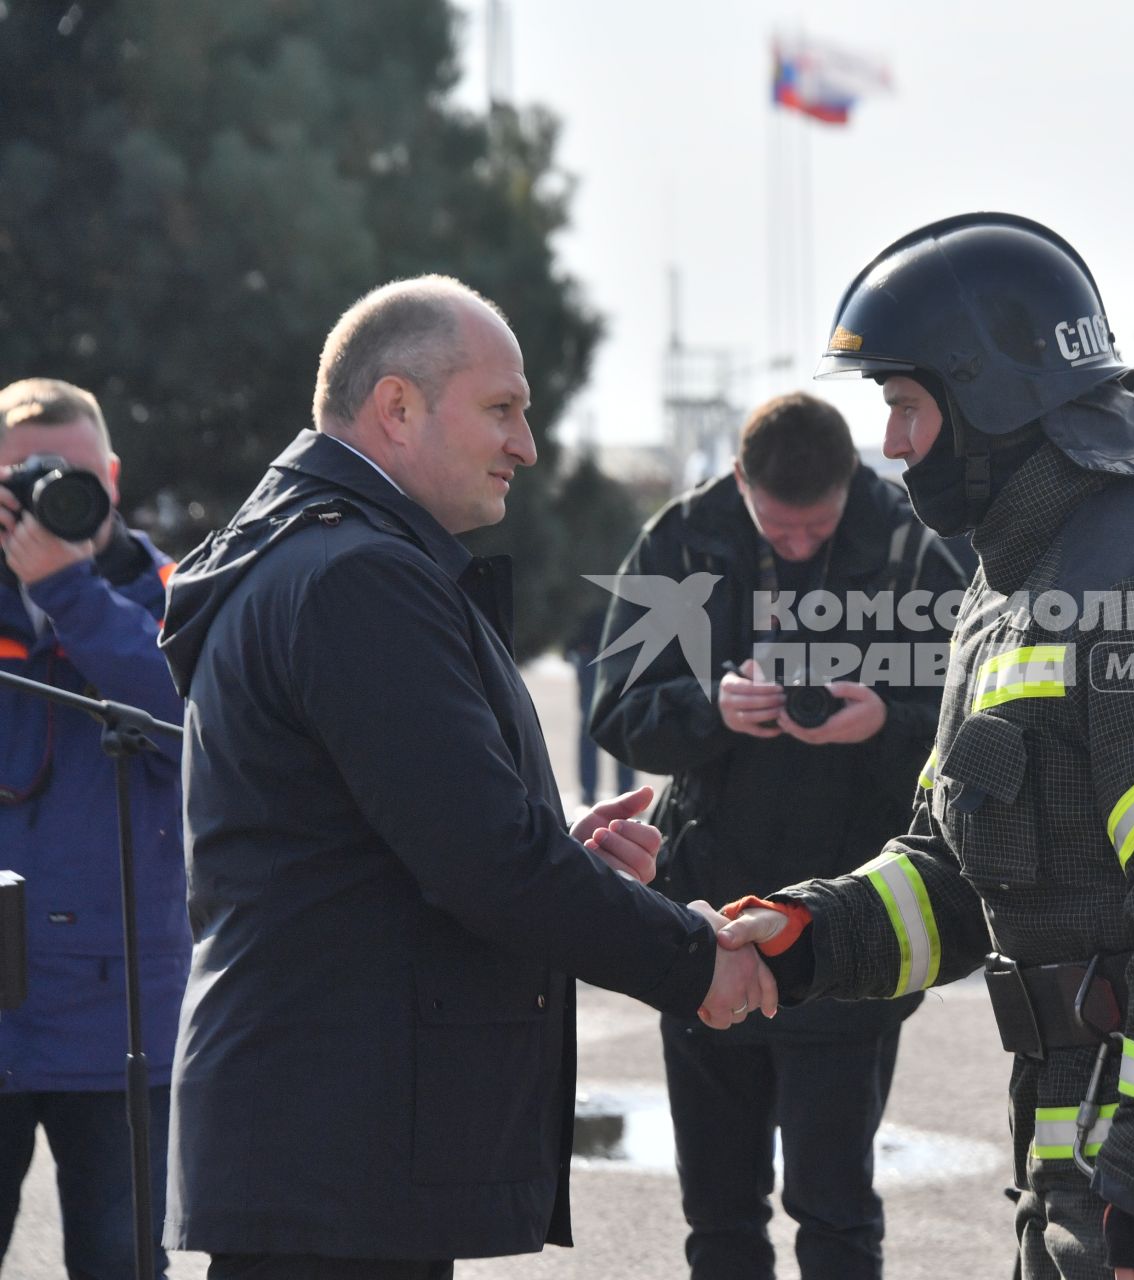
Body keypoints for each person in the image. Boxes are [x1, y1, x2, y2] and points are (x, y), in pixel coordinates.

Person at [720, 214, 1134, 1280]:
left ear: (990, 399)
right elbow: (962, 865)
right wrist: (806, 934)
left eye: (903, 404)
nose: (891, 444)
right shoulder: (1015, 590)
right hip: (1101, 1156)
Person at [157, 275, 776, 1278]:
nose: (526, 445)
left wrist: (553, 852)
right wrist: (691, 957)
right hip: (337, 1159)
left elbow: (390, 849)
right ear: (397, 408)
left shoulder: (330, 557)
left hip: (328, 1149)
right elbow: (482, 859)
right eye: (503, 408)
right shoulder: (358, 575)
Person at [588, 392, 969, 1280]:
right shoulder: (687, 540)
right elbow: (617, 710)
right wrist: (710, 708)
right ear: (739, 484)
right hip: (708, 915)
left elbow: (976, 725)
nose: (797, 546)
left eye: (817, 528)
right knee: (719, 1218)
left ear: (851, 488)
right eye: (777, 529)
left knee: (836, 1214)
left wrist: (884, 723)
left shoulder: (911, 548)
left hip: (847, 928)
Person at [0, 378, 184, 1278]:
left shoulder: (177, 596)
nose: (46, 498)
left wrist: (69, 591)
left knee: (121, 1264)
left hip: (121, 1021)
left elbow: (193, 737)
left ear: (111, 474)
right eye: (20, 481)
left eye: (69, 476)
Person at [565, 605, 635, 807]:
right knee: (591, 725)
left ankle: (626, 793)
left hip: (624, 652)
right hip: (590, 650)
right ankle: (588, 792)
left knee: (623, 722)